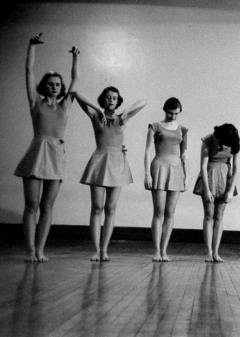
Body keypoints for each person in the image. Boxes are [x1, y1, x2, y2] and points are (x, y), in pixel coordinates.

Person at [14, 33, 80, 262]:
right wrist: (31, 46)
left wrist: (75, 59)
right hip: (36, 153)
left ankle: (41, 250)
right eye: (50, 84)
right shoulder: (36, 102)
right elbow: (28, 73)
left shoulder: (66, 105)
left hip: (56, 155)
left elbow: (75, 80)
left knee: (47, 207)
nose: (54, 87)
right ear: (44, 86)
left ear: (61, 88)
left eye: (58, 84)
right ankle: (30, 250)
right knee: (31, 205)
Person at [75, 87, 146, 261]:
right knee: (97, 206)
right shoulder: (96, 116)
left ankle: (105, 250)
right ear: (103, 99)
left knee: (111, 208)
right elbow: (77, 94)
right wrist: (97, 108)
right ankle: (96, 249)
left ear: (118, 100)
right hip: (100, 160)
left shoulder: (123, 118)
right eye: (108, 97)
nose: (111, 100)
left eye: (114, 98)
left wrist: (126, 112)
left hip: (117, 162)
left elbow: (143, 102)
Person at [144, 98, 189, 262]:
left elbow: (184, 154)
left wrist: (187, 175)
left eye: (176, 113)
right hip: (159, 167)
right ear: (165, 110)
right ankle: (156, 251)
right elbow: (148, 150)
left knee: (170, 212)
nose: (173, 116)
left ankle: (164, 250)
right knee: (159, 212)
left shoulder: (182, 129)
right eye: (170, 113)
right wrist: (147, 173)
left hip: (176, 169)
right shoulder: (154, 126)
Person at [193, 124, 240, 262]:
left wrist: (231, 190)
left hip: (225, 178)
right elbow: (202, 165)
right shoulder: (208, 139)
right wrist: (206, 190)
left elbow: (236, 167)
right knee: (209, 215)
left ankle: (216, 252)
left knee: (219, 216)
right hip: (209, 176)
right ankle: (208, 252)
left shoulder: (235, 142)